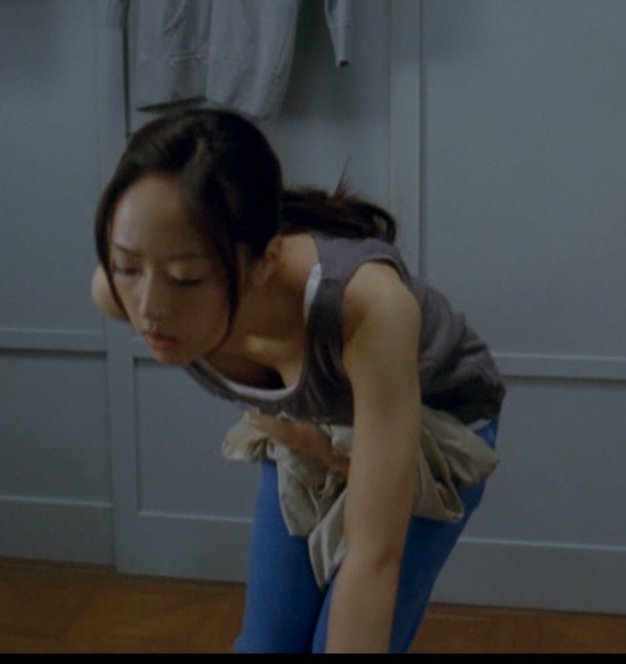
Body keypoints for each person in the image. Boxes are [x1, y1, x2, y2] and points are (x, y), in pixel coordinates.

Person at [91, 108, 505, 653]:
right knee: (266, 644)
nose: (149, 308)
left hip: (432, 427)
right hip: (306, 425)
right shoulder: (119, 295)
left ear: (265, 260)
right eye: (126, 266)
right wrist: (311, 443)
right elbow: (269, 395)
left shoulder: (365, 306)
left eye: (186, 278)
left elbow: (374, 556)